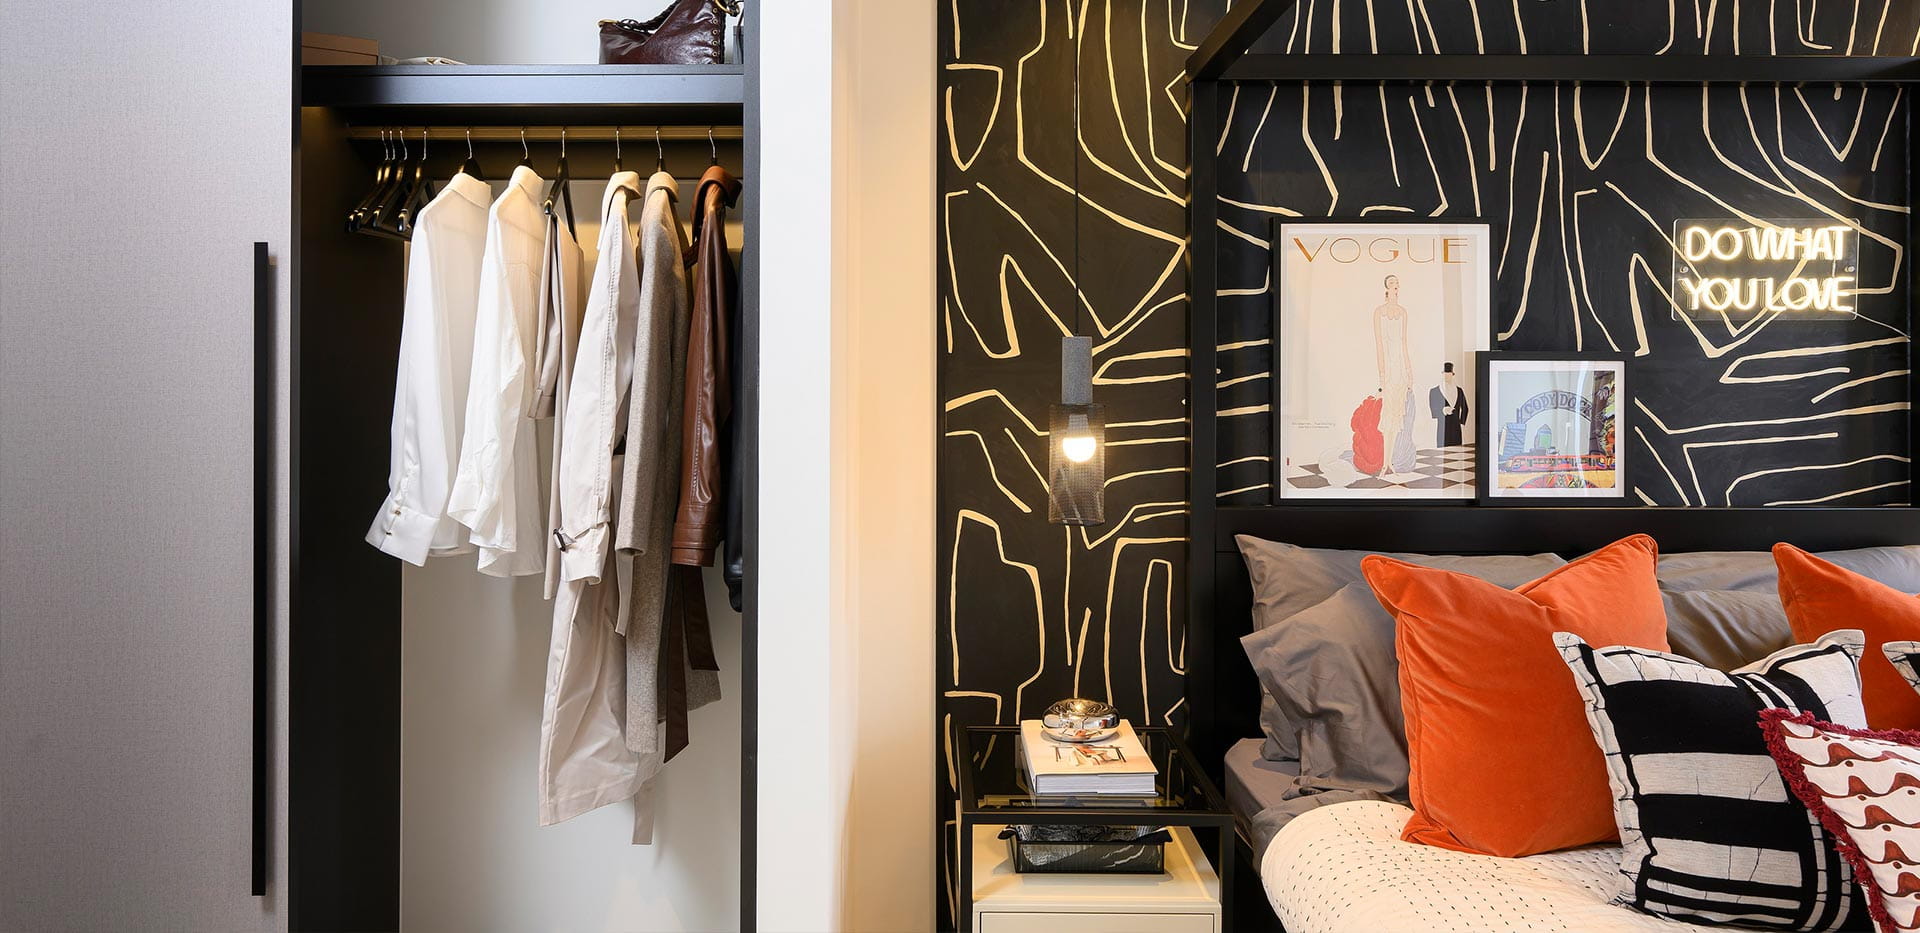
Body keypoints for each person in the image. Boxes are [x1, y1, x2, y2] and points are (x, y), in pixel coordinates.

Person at [1373, 275, 1414, 471]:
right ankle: (1384, 463)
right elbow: (1379, 345)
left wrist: (1409, 371)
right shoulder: (1379, 312)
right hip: (1388, 369)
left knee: (1396, 417)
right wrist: (1382, 376)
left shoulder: (1403, 312)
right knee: (1387, 416)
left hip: (1400, 370)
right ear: (1386, 288)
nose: (1395, 287)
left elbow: (1404, 343)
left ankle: (1389, 462)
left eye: (1397, 284)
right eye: (1391, 284)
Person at [1428, 362, 1469, 447]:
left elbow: (1465, 408)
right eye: (1445, 374)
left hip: (1456, 428)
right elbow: (1433, 410)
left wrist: (1461, 422)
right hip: (1443, 428)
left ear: (1452, 375)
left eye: (1449, 374)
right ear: (1442, 374)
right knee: (1443, 452)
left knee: (1457, 451)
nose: (1447, 376)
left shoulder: (1459, 391)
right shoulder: (1434, 391)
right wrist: (1443, 410)